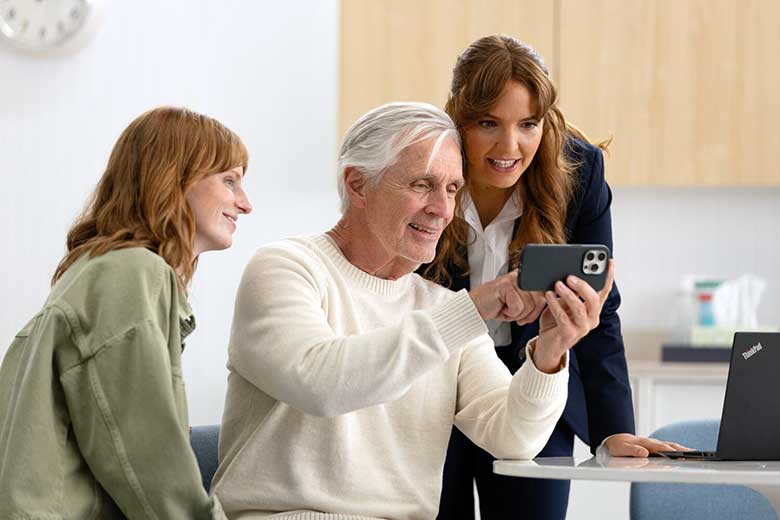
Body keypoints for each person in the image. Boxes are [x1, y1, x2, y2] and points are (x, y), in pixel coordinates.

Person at [212, 102, 614, 519]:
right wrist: (472, 310)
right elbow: (321, 384)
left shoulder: (442, 308)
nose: (443, 210)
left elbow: (514, 437)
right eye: (423, 185)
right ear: (357, 185)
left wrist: (549, 352)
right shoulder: (287, 266)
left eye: (453, 189)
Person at [420, 35, 684, 520]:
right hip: (434, 386)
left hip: (537, 382)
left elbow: (597, 308)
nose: (509, 146)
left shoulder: (579, 172)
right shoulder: (424, 165)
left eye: (528, 125)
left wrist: (611, 428)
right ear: (458, 118)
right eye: (488, 124)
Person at [0, 106, 253, 519]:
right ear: (175, 179)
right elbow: (146, 455)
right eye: (230, 181)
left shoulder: (107, 269)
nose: (245, 204)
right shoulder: (130, 272)